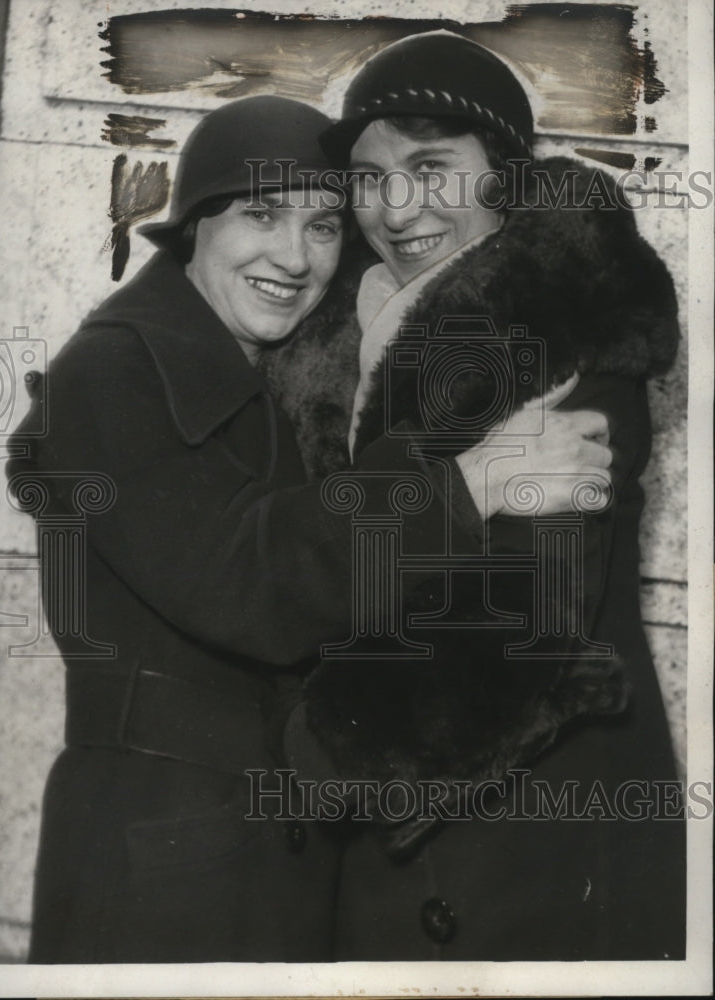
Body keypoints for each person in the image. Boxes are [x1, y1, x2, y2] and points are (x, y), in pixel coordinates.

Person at [7, 93, 611, 963]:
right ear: (194, 229)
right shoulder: (111, 374)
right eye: (261, 214)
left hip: (262, 863)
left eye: (325, 226)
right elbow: (250, 578)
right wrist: (468, 485)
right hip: (163, 871)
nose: (294, 257)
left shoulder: (277, 373)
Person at [264, 33, 685, 960]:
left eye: (431, 167)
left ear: (505, 177)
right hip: (387, 846)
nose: (395, 207)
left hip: (530, 831)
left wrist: (321, 752)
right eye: (370, 179)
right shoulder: (343, 327)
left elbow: (526, 613)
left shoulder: (567, 330)